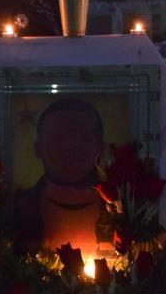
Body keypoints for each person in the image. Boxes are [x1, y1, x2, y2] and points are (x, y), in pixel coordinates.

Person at [14, 97, 109, 256]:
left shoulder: (121, 210)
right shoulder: (21, 208)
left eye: (85, 138)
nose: (71, 149)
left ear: (101, 148)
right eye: (58, 139)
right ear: (38, 148)